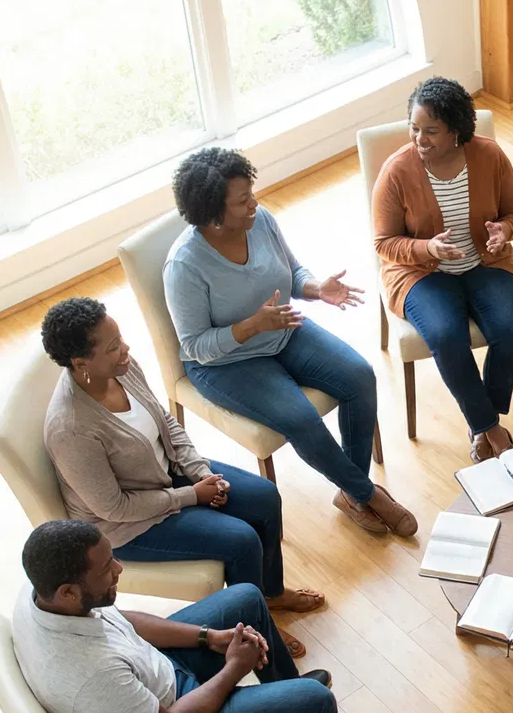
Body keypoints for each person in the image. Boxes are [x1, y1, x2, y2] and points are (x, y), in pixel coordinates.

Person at [38, 297, 324, 660]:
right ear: (81, 364)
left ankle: (270, 592)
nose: (125, 349)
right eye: (113, 347)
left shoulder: (120, 367)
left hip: (167, 474)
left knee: (265, 497)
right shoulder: (72, 429)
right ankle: (255, 621)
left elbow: (166, 424)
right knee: (241, 541)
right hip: (127, 522)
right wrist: (192, 495)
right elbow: (113, 507)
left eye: (120, 339)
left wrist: (200, 473)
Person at [164, 147, 417, 538]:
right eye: (242, 200)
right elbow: (196, 346)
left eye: (252, 193)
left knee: (360, 376)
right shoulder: (184, 266)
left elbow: (293, 273)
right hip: (226, 363)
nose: (255, 203)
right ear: (213, 216)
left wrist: (318, 289)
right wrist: (252, 325)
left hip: (282, 329)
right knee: (302, 420)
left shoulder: (260, 220)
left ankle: (352, 494)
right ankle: (370, 495)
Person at [9, 520, 336, 713]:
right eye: (107, 569)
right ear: (67, 592)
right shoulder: (89, 675)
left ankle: (286, 704)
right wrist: (234, 668)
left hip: (155, 674)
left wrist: (208, 637)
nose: (119, 569)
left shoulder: (42, 593)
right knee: (316, 701)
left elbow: (122, 622)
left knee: (248, 599)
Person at [372, 76, 513, 462]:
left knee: (512, 329)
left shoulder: (490, 156)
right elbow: (383, 243)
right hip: (421, 274)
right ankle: (490, 428)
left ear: (457, 130)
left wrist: (503, 230)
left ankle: (482, 421)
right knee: (446, 336)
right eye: (414, 128)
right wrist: (428, 247)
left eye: (431, 131)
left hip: (486, 263)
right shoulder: (396, 172)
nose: (419, 139)